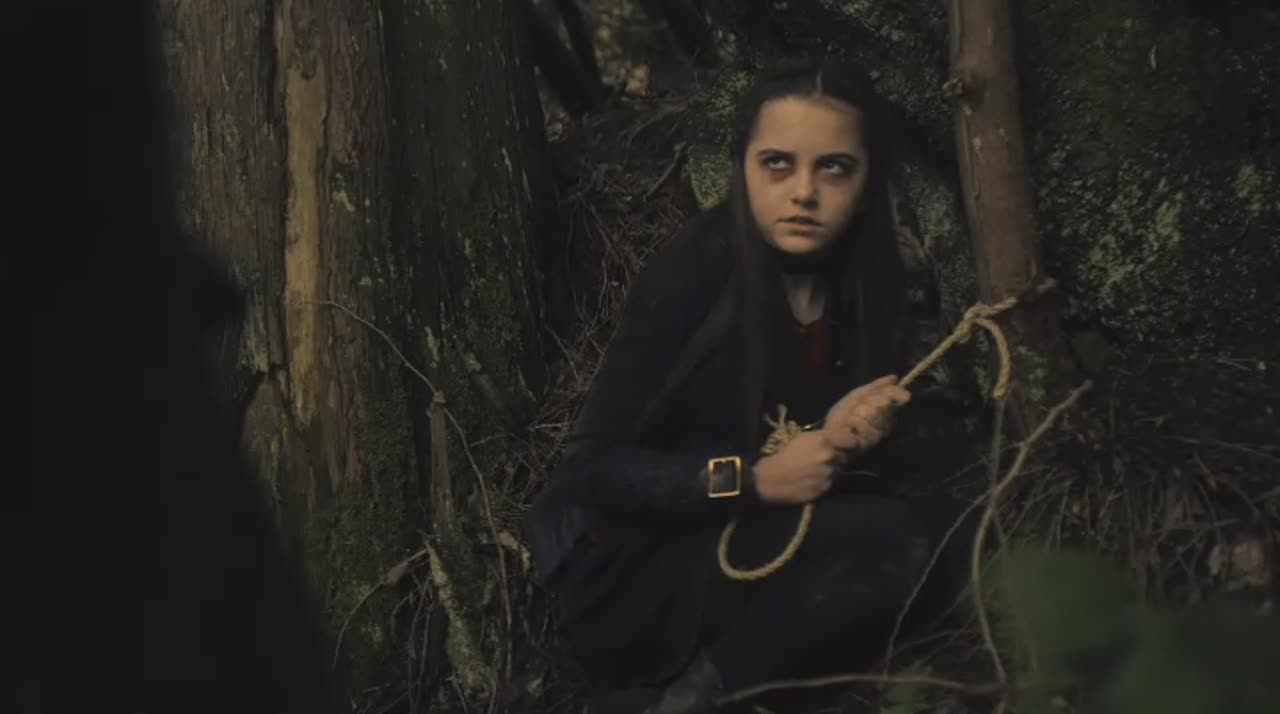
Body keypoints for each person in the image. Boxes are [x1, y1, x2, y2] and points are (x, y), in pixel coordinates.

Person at [525, 59, 981, 714]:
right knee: (892, 540)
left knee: (959, 531)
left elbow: (795, 446)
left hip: (746, 537)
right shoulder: (699, 270)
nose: (803, 192)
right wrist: (752, 480)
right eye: (777, 164)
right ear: (741, 167)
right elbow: (593, 469)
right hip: (634, 569)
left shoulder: (864, 280)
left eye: (834, 168)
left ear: (868, 180)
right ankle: (690, 702)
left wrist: (845, 438)